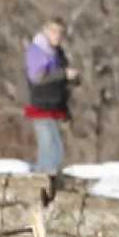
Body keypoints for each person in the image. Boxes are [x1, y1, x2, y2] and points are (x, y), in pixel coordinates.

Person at [23, 19, 74, 174]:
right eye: (54, 31)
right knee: (49, 147)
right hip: (41, 105)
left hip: (55, 106)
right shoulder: (37, 51)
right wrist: (63, 74)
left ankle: (50, 180)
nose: (57, 36)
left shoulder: (58, 53)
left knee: (57, 148)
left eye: (61, 33)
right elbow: (38, 77)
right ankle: (40, 181)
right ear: (45, 31)